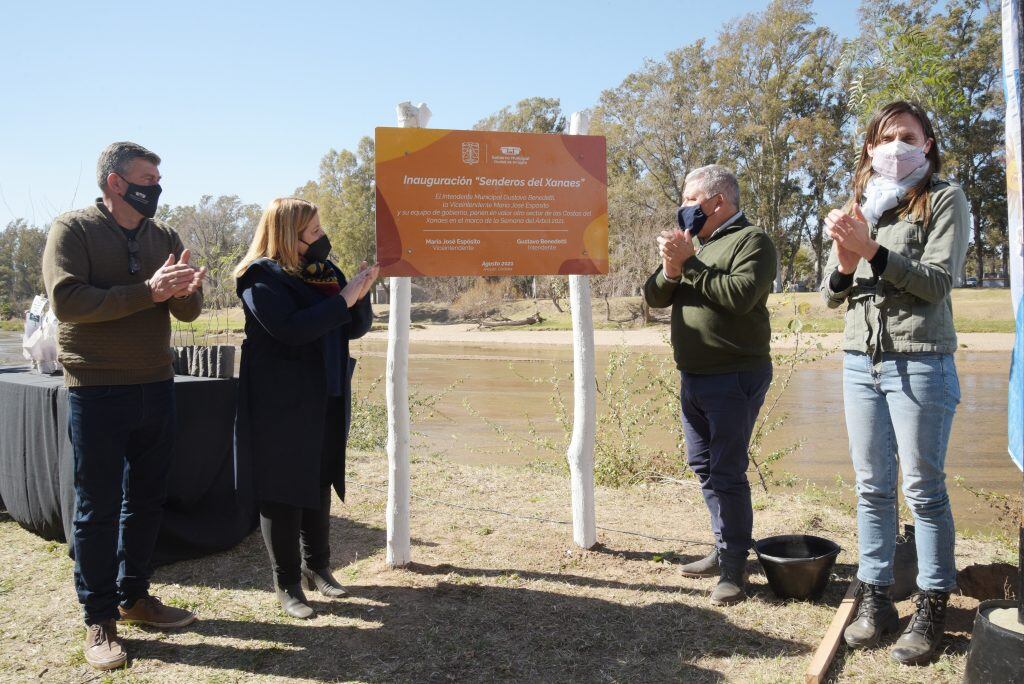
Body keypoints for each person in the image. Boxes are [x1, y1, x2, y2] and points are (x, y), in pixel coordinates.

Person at [42, 141, 206, 671]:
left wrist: (183, 291)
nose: (155, 186)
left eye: (158, 177)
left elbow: (186, 312)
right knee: (97, 509)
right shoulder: (73, 231)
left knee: (148, 500)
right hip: (95, 388)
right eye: (146, 177)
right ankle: (99, 620)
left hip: (156, 384)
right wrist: (148, 291)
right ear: (115, 182)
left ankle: (134, 597)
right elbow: (68, 301)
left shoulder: (165, 235)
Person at [821, 101, 970, 665]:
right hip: (860, 358)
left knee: (924, 491)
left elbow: (936, 283)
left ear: (927, 143)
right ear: (869, 148)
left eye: (908, 136)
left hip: (921, 359)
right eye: (886, 137)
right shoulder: (861, 205)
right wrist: (842, 259)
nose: (896, 145)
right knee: (871, 488)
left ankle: (931, 605)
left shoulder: (944, 198)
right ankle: (876, 599)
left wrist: (872, 251)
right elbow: (832, 295)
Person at [233, 197, 377, 619]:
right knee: (282, 489)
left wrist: (361, 297)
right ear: (287, 236)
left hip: (326, 389)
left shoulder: (325, 272)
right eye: (312, 232)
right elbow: (291, 331)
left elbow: (352, 328)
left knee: (318, 479)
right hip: (280, 398)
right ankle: (288, 584)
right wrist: (343, 300)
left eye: (319, 230)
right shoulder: (259, 277)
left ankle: (319, 568)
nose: (321, 239)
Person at [644, 164, 777, 605]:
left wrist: (690, 264)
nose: (683, 207)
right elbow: (654, 296)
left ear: (717, 202)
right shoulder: (696, 247)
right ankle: (723, 549)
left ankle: (735, 569)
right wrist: (671, 267)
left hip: (735, 376)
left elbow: (740, 296)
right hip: (694, 377)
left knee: (726, 471)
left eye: (689, 199)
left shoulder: (752, 241)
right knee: (703, 467)